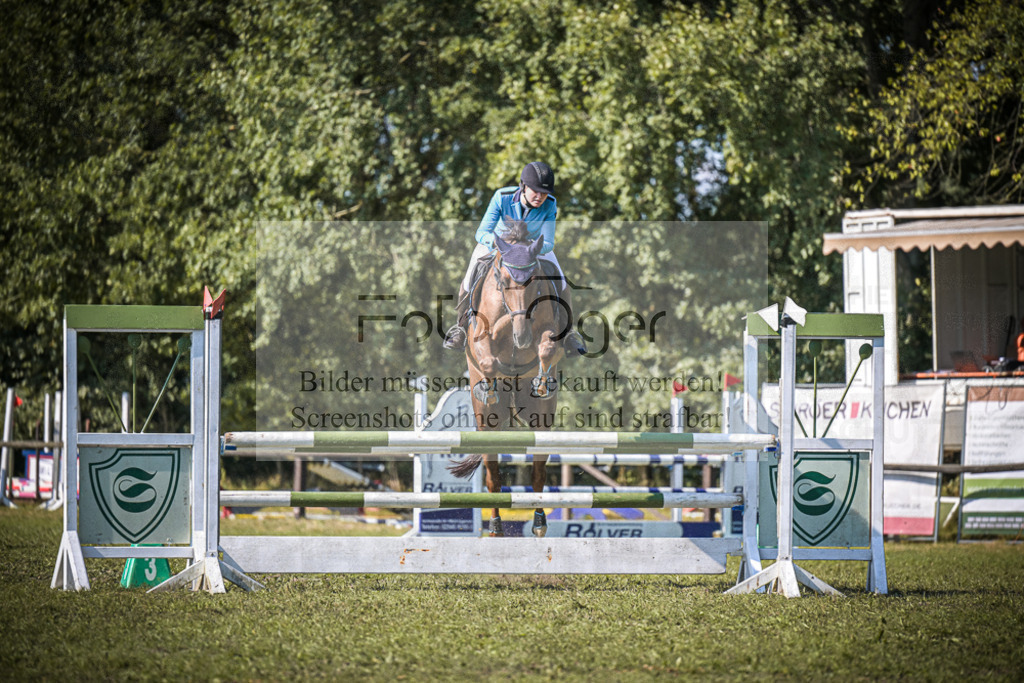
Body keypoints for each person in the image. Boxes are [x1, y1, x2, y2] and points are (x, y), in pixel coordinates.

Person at [443, 161, 585, 355]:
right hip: (498, 245)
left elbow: (549, 243)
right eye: (535, 191)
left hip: (532, 249)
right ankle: (460, 327)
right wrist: (499, 245)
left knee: (561, 281)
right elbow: (481, 233)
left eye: (544, 192)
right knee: (469, 278)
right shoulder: (502, 197)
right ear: (523, 186)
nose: (540, 196)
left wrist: (527, 251)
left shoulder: (550, 204)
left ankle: (568, 333)